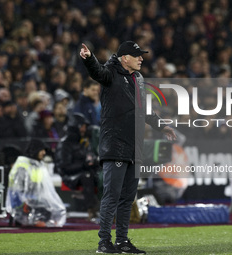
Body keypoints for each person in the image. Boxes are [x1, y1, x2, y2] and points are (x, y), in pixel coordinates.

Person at [80, 41, 176, 254]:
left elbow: (144, 110)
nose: (141, 58)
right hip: (114, 144)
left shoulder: (139, 79)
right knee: (111, 196)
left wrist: (162, 126)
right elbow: (97, 72)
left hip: (135, 147)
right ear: (125, 58)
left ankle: (122, 241)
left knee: (127, 198)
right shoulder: (110, 74)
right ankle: (104, 242)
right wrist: (89, 58)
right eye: (137, 55)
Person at [6, 139, 66, 227]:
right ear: (35, 150)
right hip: (21, 201)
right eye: (41, 150)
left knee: (50, 206)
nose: (44, 153)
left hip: (33, 197)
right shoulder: (22, 165)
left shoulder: (37, 165)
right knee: (43, 206)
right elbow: (18, 190)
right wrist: (25, 201)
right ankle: (33, 221)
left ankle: (37, 221)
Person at [55, 113, 99, 220]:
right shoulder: (65, 144)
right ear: (75, 126)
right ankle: (91, 211)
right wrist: (84, 165)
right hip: (70, 177)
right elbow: (64, 167)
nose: (84, 129)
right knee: (87, 176)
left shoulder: (82, 142)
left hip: (83, 173)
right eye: (82, 126)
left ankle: (108, 209)